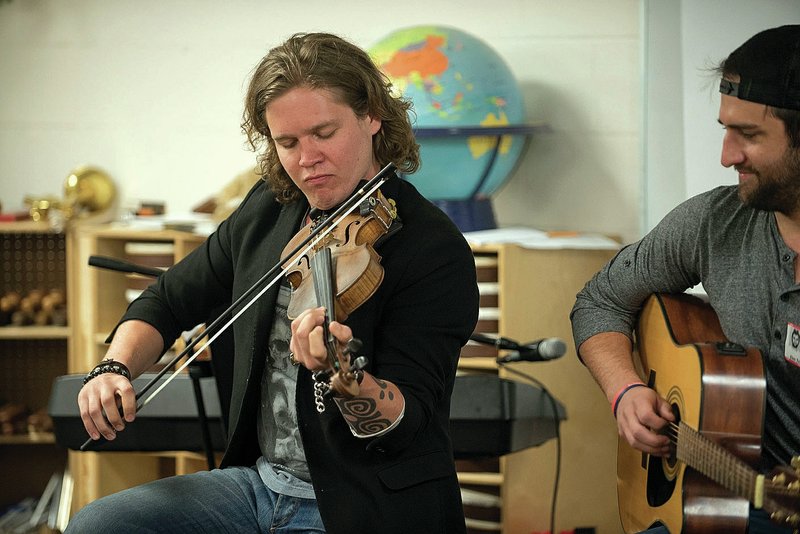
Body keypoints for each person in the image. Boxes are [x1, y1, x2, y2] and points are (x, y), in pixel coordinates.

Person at [66, 32, 479, 534]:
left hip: (361, 503)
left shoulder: (432, 249)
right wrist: (114, 367)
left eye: (324, 133)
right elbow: (169, 299)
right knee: (100, 525)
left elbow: (402, 424)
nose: (307, 159)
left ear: (372, 115)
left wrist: (340, 374)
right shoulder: (270, 209)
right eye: (287, 142)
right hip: (258, 486)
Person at [571, 25, 800, 534]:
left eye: (751, 135)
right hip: (719, 508)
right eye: (725, 128)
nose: (727, 155)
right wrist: (625, 391)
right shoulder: (716, 222)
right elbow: (599, 301)